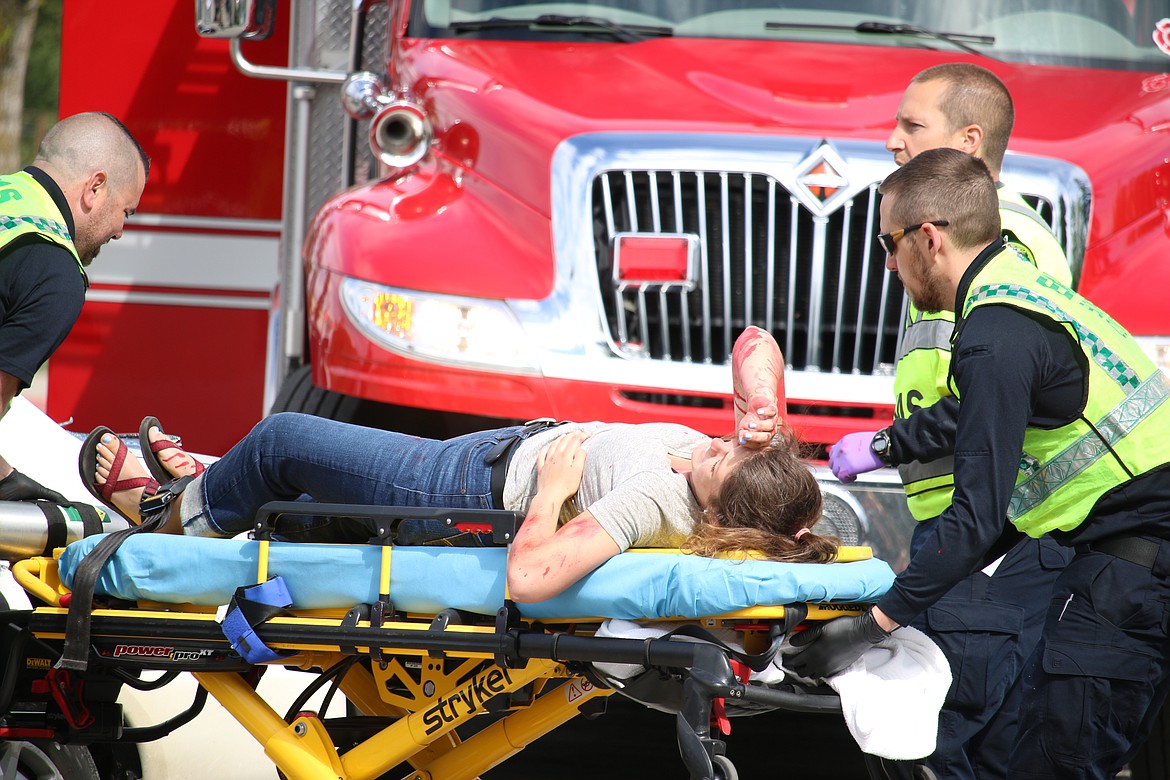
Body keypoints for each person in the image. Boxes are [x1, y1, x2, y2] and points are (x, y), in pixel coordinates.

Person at [789, 147, 1170, 779]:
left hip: (1135, 566)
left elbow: (976, 517)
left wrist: (874, 625)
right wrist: (884, 445)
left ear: (929, 238)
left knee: (1050, 762)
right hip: (1127, 556)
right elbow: (974, 413)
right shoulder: (1021, 293)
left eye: (890, 242)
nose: (889, 263)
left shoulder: (995, 334)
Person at [82, 326, 836, 603]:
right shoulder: (768, 491)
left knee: (283, 441)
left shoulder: (652, 502)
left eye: (713, 462)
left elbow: (530, 577)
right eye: (727, 442)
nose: (711, 445)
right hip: (492, 456)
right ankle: (213, 491)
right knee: (309, 501)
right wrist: (762, 402)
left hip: (464, 486)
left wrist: (553, 494)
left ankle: (170, 516)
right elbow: (754, 340)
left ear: (710, 514)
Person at [830, 63, 1075, 780]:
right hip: (965, 531)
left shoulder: (1007, 248)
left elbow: (997, 404)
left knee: (931, 737)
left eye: (912, 125)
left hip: (995, 534)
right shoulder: (967, 241)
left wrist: (880, 446)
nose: (891, 140)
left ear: (969, 141)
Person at [0, 112, 149, 502]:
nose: (120, 230)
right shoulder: (55, 270)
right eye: (125, 212)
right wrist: (7, 481)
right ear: (95, 187)